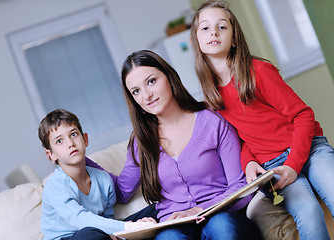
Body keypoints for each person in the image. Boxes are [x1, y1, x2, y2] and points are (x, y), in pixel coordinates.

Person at [190, 1, 334, 239]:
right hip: (272, 165)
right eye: (205, 28)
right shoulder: (212, 93)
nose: (213, 32)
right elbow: (244, 136)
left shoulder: (257, 71)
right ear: (197, 40)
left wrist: (294, 164)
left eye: (222, 27)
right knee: (308, 212)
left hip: (311, 148)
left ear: (234, 38)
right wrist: (248, 162)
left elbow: (303, 115)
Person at [111, 49, 262, 240]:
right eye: (136, 91)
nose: (147, 95)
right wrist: (79, 162)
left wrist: (200, 210)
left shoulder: (213, 121)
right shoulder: (141, 142)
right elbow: (122, 192)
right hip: (173, 227)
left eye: (151, 81)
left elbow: (240, 186)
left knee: (221, 226)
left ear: (169, 77)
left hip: (222, 216)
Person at [38, 109, 155, 240]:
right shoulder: (55, 185)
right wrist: (126, 228)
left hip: (99, 233)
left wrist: (131, 228)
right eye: (59, 141)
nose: (70, 144)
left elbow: (107, 220)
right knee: (90, 234)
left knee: (156, 210)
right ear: (51, 154)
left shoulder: (103, 179)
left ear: (85, 139)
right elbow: (79, 219)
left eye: (74, 134)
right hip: (71, 237)